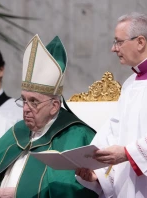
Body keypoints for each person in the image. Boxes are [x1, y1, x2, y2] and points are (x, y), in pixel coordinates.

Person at [0, 35, 98, 198]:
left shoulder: (76, 135)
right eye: (24, 100)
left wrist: (18, 194)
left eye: (34, 101)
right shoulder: (19, 130)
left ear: (54, 106)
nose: (26, 108)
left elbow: (73, 190)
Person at [76, 12, 147, 198]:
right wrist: (96, 174)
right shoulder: (130, 84)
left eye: (118, 42)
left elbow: (123, 150)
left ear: (140, 42)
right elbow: (114, 136)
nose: (113, 48)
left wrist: (127, 153)